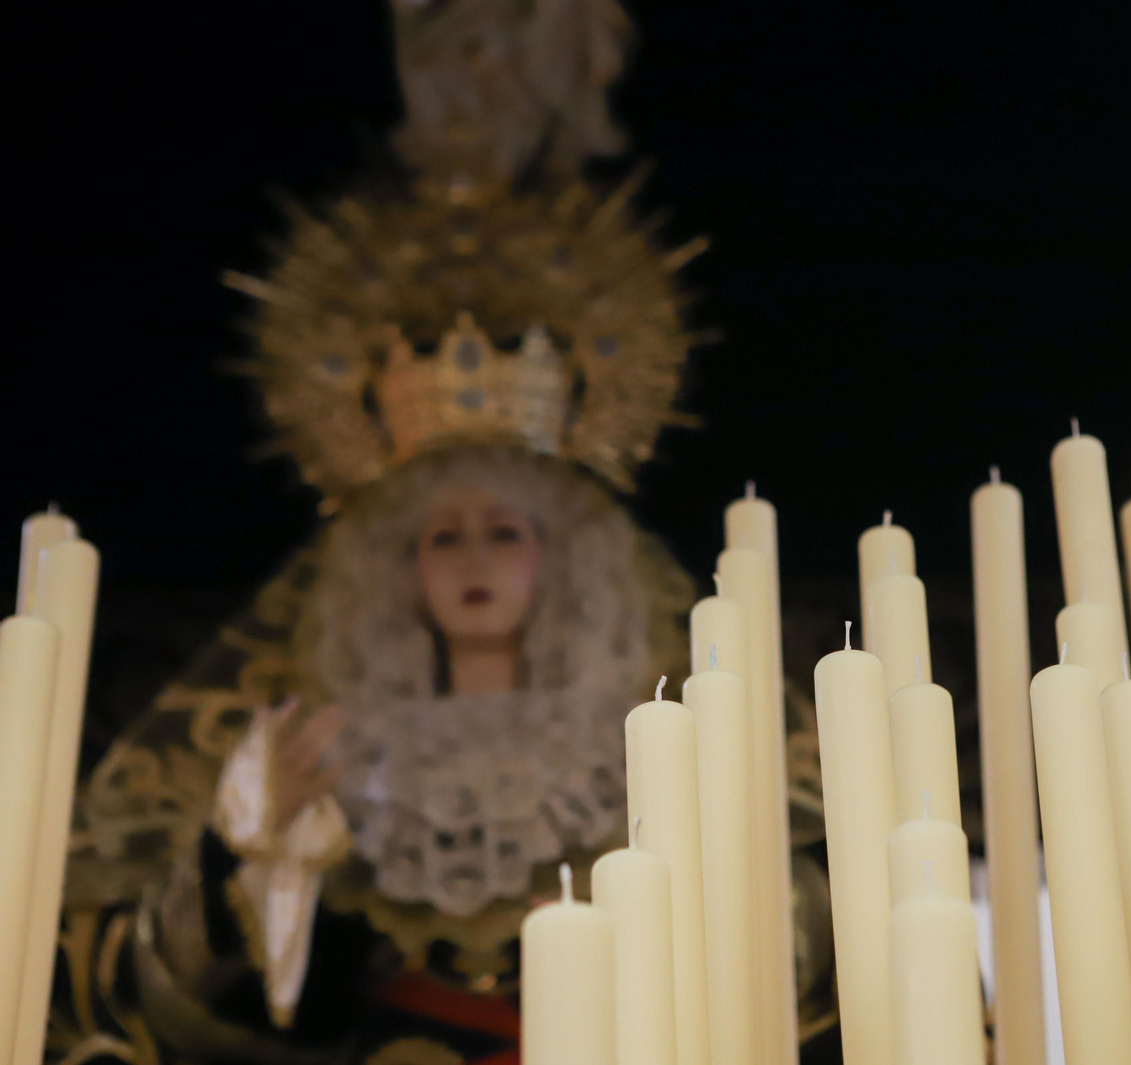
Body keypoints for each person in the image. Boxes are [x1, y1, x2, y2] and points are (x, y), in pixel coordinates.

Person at [58, 3, 831, 1061]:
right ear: (396, 568)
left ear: (556, 562)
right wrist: (249, 854)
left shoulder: (642, 743)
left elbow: (796, 965)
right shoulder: (331, 754)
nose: (470, 557)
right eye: (441, 537)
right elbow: (195, 1003)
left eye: (502, 532)